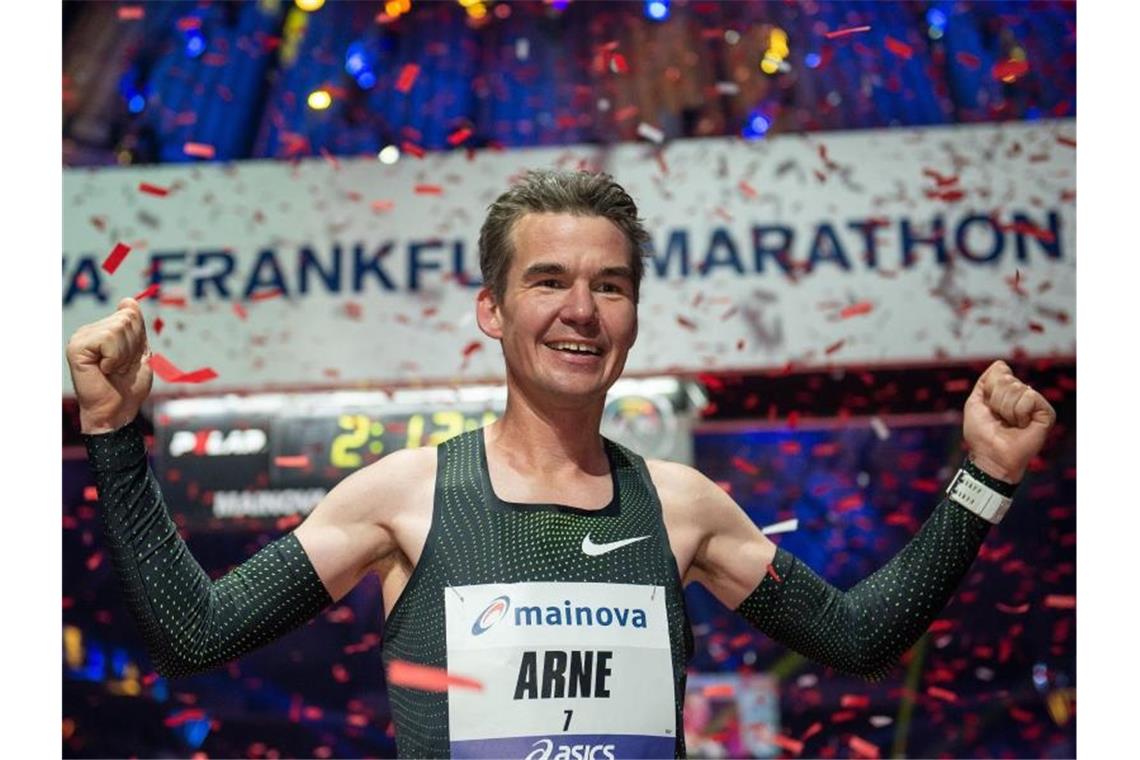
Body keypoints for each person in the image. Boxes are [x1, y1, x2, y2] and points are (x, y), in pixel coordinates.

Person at [67, 169, 1056, 759]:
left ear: (632, 313)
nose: (581, 310)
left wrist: (982, 478)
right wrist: (116, 433)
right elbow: (197, 633)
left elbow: (857, 635)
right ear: (492, 311)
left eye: (610, 285)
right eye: (549, 280)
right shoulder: (402, 496)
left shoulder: (685, 508)